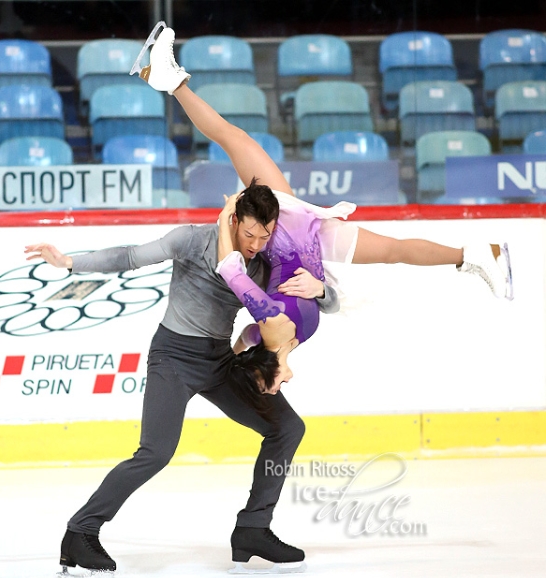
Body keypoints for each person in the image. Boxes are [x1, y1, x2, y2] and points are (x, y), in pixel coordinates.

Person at [24, 31, 341, 578]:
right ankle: (80, 533)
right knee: (155, 453)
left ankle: (252, 529)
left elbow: (325, 302)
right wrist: (69, 261)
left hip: (220, 360)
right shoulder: (191, 240)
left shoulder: (270, 256)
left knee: (287, 429)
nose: (257, 246)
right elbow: (127, 254)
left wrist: (324, 292)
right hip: (174, 356)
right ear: (233, 216)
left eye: (266, 237)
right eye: (250, 234)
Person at [130, 24, 513, 406]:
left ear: (266, 369)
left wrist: (228, 216)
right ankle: (474, 254)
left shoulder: (268, 324)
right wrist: (322, 290)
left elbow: (230, 269)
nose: (279, 388)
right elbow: (298, 318)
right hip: (308, 245)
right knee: (391, 251)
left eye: (271, 385)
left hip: (285, 234)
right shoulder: (258, 338)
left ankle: (172, 80)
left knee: (235, 140)